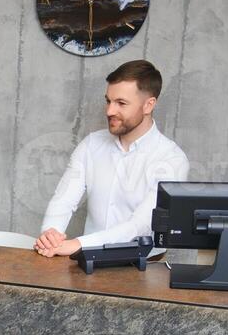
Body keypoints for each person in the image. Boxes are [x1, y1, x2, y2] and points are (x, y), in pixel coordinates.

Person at [35, 59, 189, 258]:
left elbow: (138, 226)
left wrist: (76, 244)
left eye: (121, 103)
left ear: (148, 105)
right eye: (108, 101)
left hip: (144, 267)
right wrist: (51, 234)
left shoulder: (172, 159)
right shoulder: (91, 145)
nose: (109, 111)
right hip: (86, 262)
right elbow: (63, 200)